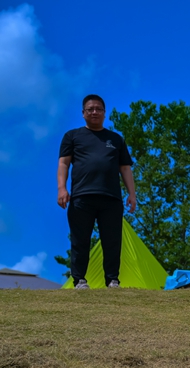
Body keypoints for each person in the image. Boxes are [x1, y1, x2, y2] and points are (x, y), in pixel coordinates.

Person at [57, 95, 136, 289]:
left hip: (111, 198)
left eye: (98, 109)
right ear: (83, 113)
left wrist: (132, 194)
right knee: (79, 240)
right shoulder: (72, 136)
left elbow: (125, 168)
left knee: (112, 241)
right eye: (90, 109)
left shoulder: (116, 139)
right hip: (81, 197)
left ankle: (112, 280)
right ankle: (79, 280)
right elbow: (64, 163)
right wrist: (61, 188)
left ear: (104, 112)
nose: (94, 112)